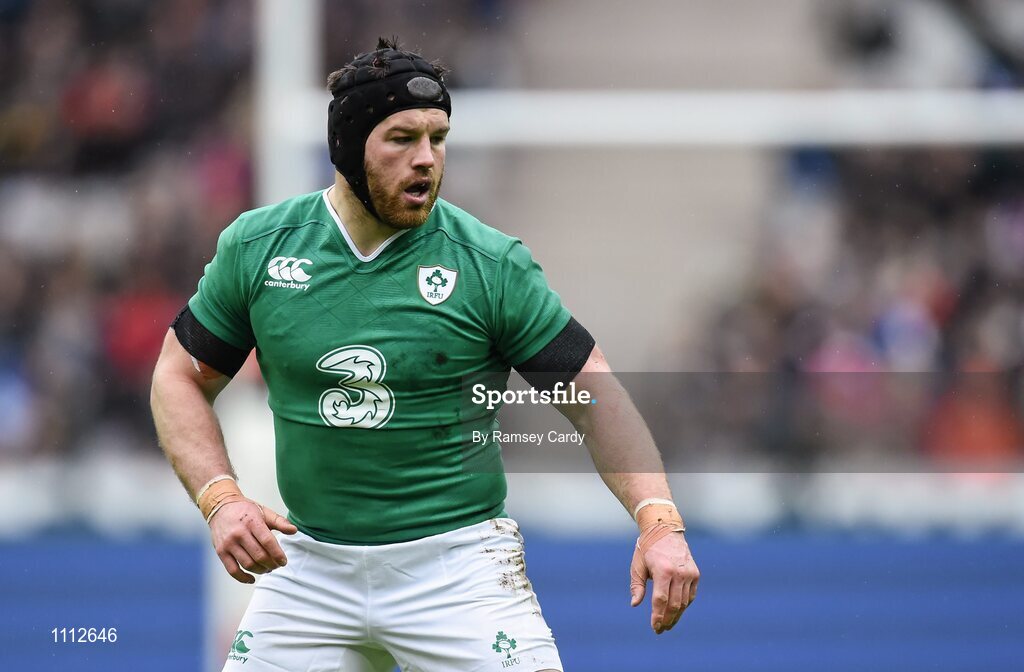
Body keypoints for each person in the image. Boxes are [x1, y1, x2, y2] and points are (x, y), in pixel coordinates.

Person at [150, 38, 699, 672]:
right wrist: (220, 499)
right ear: (347, 146)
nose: (426, 159)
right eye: (402, 138)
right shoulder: (260, 248)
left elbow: (594, 395)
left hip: (458, 571)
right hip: (309, 568)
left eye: (438, 138)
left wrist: (659, 522)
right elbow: (178, 377)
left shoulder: (490, 264)